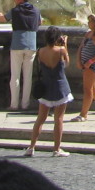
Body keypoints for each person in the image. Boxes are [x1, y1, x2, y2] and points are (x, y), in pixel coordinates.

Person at [24, 26, 72, 157]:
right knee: (59, 118)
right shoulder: (61, 50)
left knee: (40, 118)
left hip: (46, 86)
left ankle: (31, 147)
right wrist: (65, 45)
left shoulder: (40, 51)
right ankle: (56, 149)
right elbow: (67, 64)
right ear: (58, 38)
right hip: (60, 86)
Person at [6, 0, 41, 112]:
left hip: (17, 45)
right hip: (31, 45)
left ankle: (14, 104)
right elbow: (40, 22)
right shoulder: (36, 10)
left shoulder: (15, 10)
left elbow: (4, 19)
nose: (14, 1)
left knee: (15, 76)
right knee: (28, 77)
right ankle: (25, 104)